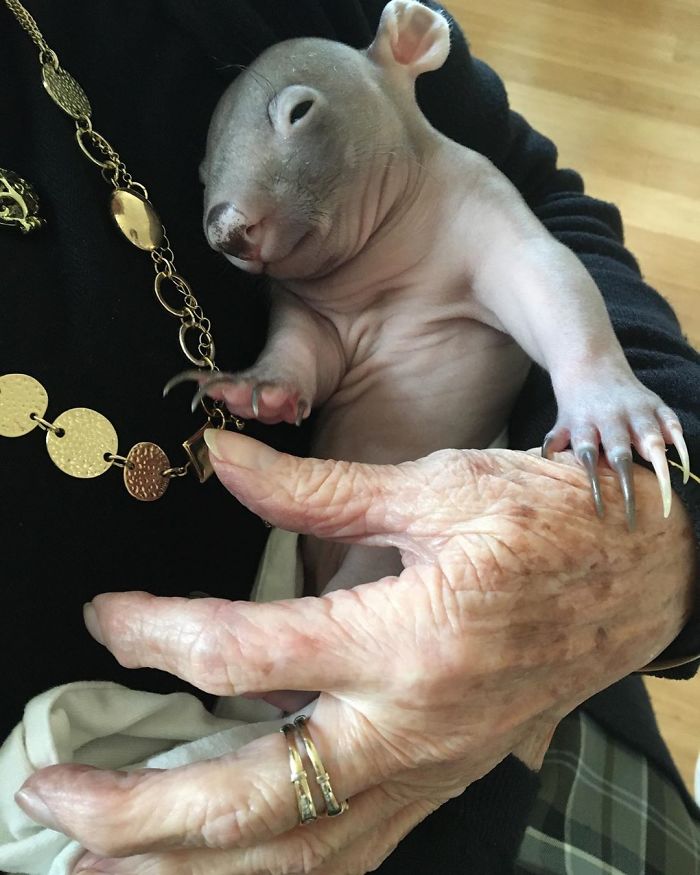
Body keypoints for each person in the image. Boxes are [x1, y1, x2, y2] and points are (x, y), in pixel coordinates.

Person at [1, 1, 698, 873]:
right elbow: (315, 338)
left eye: (297, 119)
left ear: (408, 50)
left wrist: (608, 399)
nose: (228, 232)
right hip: (298, 613)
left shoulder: (455, 194)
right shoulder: (319, 267)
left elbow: (540, 245)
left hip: (520, 649)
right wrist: (281, 379)